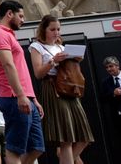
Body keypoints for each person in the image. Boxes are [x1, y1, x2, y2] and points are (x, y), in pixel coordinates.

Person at [28, 15, 93, 164]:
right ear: (44, 30)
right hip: (53, 89)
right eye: (52, 29)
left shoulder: (61, 47)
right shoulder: (36, 47)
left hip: (70, 90)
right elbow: (38, 73)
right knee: (66, 139)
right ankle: (66, 159)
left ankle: (64, 158)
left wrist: (74, 60)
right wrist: (53, 61)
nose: (56, 32)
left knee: (84, 137)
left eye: (58, 29)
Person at [0, 0, 44, 164]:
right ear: (9, 14)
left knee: (37, 147)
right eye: (21, 16)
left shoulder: (8, 35)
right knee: (14, 149)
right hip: (14, 97)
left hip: (24, 97)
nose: (23, 20)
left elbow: (18, 69)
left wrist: (33, 98)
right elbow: (7, 64)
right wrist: (20, 95)